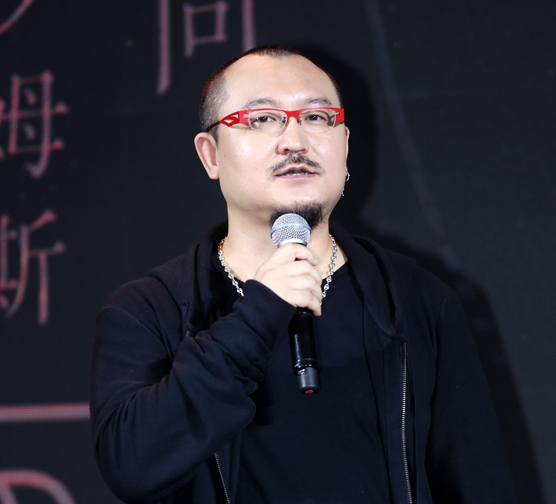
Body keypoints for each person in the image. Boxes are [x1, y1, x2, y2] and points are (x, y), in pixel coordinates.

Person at [90, 45, 516, 504]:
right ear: (210, 155)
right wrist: (259, 314)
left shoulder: (416, 301)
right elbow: (131, 464)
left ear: (345, 145)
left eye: (316, 117)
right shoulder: (151, 309)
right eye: (262, 119)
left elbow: (479, 484)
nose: (294, 140)